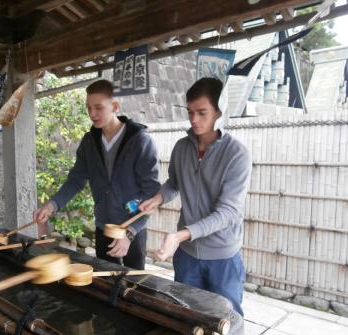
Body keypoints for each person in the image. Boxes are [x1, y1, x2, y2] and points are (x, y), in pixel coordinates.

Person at [139, 77, 252, 318]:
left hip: (223, 257)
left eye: (202, 113)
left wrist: (179, 235)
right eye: (190, 112)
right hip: (187, 257)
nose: (193, 120)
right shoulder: (182, 148)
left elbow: (228, 213)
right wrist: (158, 198)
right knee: (187, 321)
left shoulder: (237, 155)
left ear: (219, 112)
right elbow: (174, 183)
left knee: (226, 325)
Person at [34, 79, 159, 269]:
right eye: (88, 108)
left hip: (132, 229)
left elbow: (152, 194)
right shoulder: (89, 142)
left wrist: (131, 232)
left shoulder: (140, 141)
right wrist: (52, 205)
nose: (92, 114)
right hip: (103, 227)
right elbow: (75, 181)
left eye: (98, 107)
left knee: (135, 288)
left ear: (115, 106)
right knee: (105, 284)